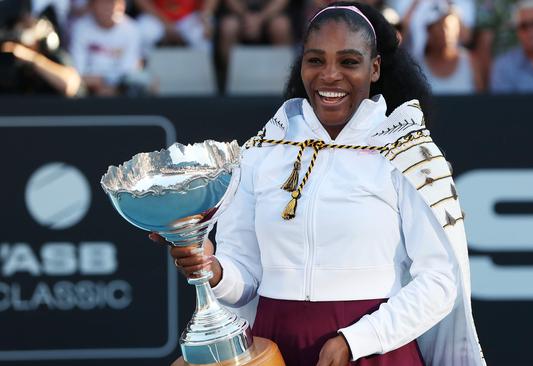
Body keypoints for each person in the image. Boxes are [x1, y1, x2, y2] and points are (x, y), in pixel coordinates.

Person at [154, 2, 485, 365]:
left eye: (348, 62)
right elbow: (245, 277)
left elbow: (440, 281)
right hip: (276, 348)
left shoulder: (406, 152)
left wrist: (356, 340)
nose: (330, 75)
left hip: (375, 351)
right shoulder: (263, 151)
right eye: (315, 60)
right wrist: (214, 271)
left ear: (374, 68)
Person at [0, 0, 82, 96]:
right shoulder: (6, 55)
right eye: (22, 25)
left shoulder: (53, 56)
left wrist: (30, 58)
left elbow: (70, 85)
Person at [69, 0, 143, 96]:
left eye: (112, 2)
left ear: (122, 5)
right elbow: (76, 72)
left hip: (122, 93)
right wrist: (96, 83)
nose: (108, 7)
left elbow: (128, 73)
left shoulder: (132, 30)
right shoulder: (80, 28)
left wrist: (110, 85)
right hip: (86, 91)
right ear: (92, 6)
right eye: (103, 3)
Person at [416, 0, 482, 94]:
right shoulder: (417, 67)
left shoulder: (471, 62)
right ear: (429, 32)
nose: (446, 32)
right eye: (440, 26)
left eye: (450, 26)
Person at [135, 0, 218, 54]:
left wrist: (206, 15)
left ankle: (201, 75)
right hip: (157, 16)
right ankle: (144, 74)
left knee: (201, 33)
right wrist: (166, 23)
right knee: (144, 32)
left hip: (189, 16)